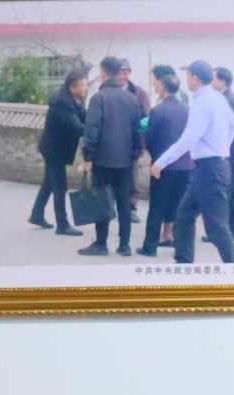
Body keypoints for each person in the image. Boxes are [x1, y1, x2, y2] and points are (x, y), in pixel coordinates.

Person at [151, 60, 234, 265]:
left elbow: (188, 139)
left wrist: (161, 162)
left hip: (210, 169)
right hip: (207, 168)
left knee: (216, 227)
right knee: (184, 215)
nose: (186, 80)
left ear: (195, 77)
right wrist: (223, 146)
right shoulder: (217, 98)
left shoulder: (203, 102)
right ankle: (184, 262)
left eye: (188, 75)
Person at [76, 57, 142, 258]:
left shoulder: (99, 98)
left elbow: (92, 130)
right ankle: (124, 245)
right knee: (124, 204)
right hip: (125, 161)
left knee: (102, 201)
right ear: (118, 72)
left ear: (103, 73)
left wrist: (88, 156)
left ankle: (101, 243)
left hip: (103, 160)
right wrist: (134, 155)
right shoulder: (132, 99)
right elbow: (138, 131)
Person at [136, 66, 188, 256]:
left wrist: (153, 154)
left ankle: (150, 246)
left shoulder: (158, 110)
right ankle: (178, 244)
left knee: (157, 206)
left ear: (163, 87)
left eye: (156, 83)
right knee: (179, 206)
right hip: (185, 166)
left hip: (162, 166)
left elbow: (149, 138)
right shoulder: (187, 110)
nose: (155, 86)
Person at [28, 66, 86, 237]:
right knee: (60, 186)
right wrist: (94, 131)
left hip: (55, 148)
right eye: (83, 85)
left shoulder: (73, 99)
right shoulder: (62, 102)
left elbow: (84, 116)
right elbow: (76, 127)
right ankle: (62, 224)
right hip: (54, 150)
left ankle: (37, 214)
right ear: (73, 86)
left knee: (49, 183)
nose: (86, 87)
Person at [214, 65, 234, 241]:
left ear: (223, 81)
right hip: (233, 153)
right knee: (231, 192)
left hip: (230, 155)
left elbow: (226, 130)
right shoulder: (227, 98)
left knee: (227, 192)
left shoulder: (227, 100)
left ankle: (226, 231)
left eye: (214, 79)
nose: (212, 82)